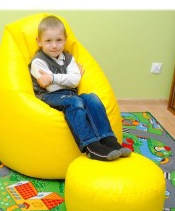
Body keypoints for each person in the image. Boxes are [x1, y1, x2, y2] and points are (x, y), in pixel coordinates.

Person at [29, 15, 131, 161]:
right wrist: (68, 78)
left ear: (65, 39)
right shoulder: (38, 62)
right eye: (48, 41)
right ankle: (91, 146)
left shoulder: (69, 58)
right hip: (49, 96)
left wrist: (52, 77)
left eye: (59, 40)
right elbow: (51, 87)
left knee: (92, 98)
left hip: (71, 94)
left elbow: (75, 81)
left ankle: (108, 139)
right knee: (75, 102)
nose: (54, 45)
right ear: (39, 41)